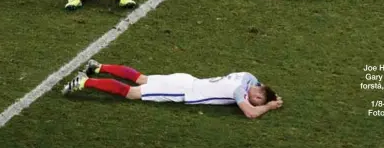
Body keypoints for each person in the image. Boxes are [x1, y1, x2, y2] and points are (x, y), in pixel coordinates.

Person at [62, 59, 283, 119]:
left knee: (141, 78)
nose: (255, 100)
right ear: (258, 90)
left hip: (186, 79)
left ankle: (98, 66)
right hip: (184, 91)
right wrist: (270, 106)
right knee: (133, 93)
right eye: (258, 97)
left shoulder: (247, 77)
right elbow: (251, 114)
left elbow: (257, 88)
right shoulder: (239, 92)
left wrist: (269, 96)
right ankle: (84, 81)